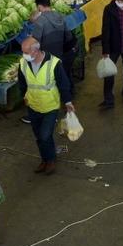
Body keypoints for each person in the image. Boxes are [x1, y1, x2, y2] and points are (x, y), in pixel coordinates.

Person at [18, 37, 75, 175]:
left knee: (45, 135)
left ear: (36, 51)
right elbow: (22, 82)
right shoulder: (23, 63)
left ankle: (50, 160)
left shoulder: (54, 64)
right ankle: (44, 159)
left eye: (26, 52)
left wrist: (68, 102)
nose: (23, 55)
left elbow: (64, 84)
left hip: (50, 106)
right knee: (38, 136)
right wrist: (24, 96)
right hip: (33, 105)